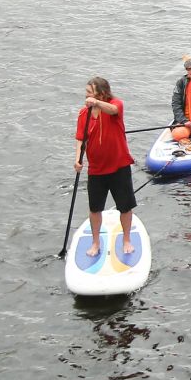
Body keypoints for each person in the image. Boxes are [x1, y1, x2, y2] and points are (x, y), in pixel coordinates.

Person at [73, 78, 136, 261]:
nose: (86, 95)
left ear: (101, 93)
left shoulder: (115, 105)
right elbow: (80, 139)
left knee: (125, 206)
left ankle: (126, 240)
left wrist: (98, 103)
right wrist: (78, 159)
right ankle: (95, 243)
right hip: (96, 169)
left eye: (90, 92)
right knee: (95, 208)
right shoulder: (83, 114)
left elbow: (113, 110)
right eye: (86, 92)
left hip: (119, 166)